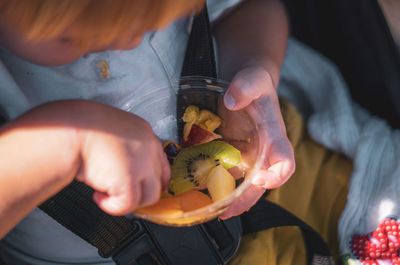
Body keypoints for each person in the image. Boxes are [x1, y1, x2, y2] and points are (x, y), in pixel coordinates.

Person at [0, 0, 295, 263]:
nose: (128, 42)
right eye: (69, 38)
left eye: (152, 23)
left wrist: (253, 66)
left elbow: (246, 8)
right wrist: (68, 145)